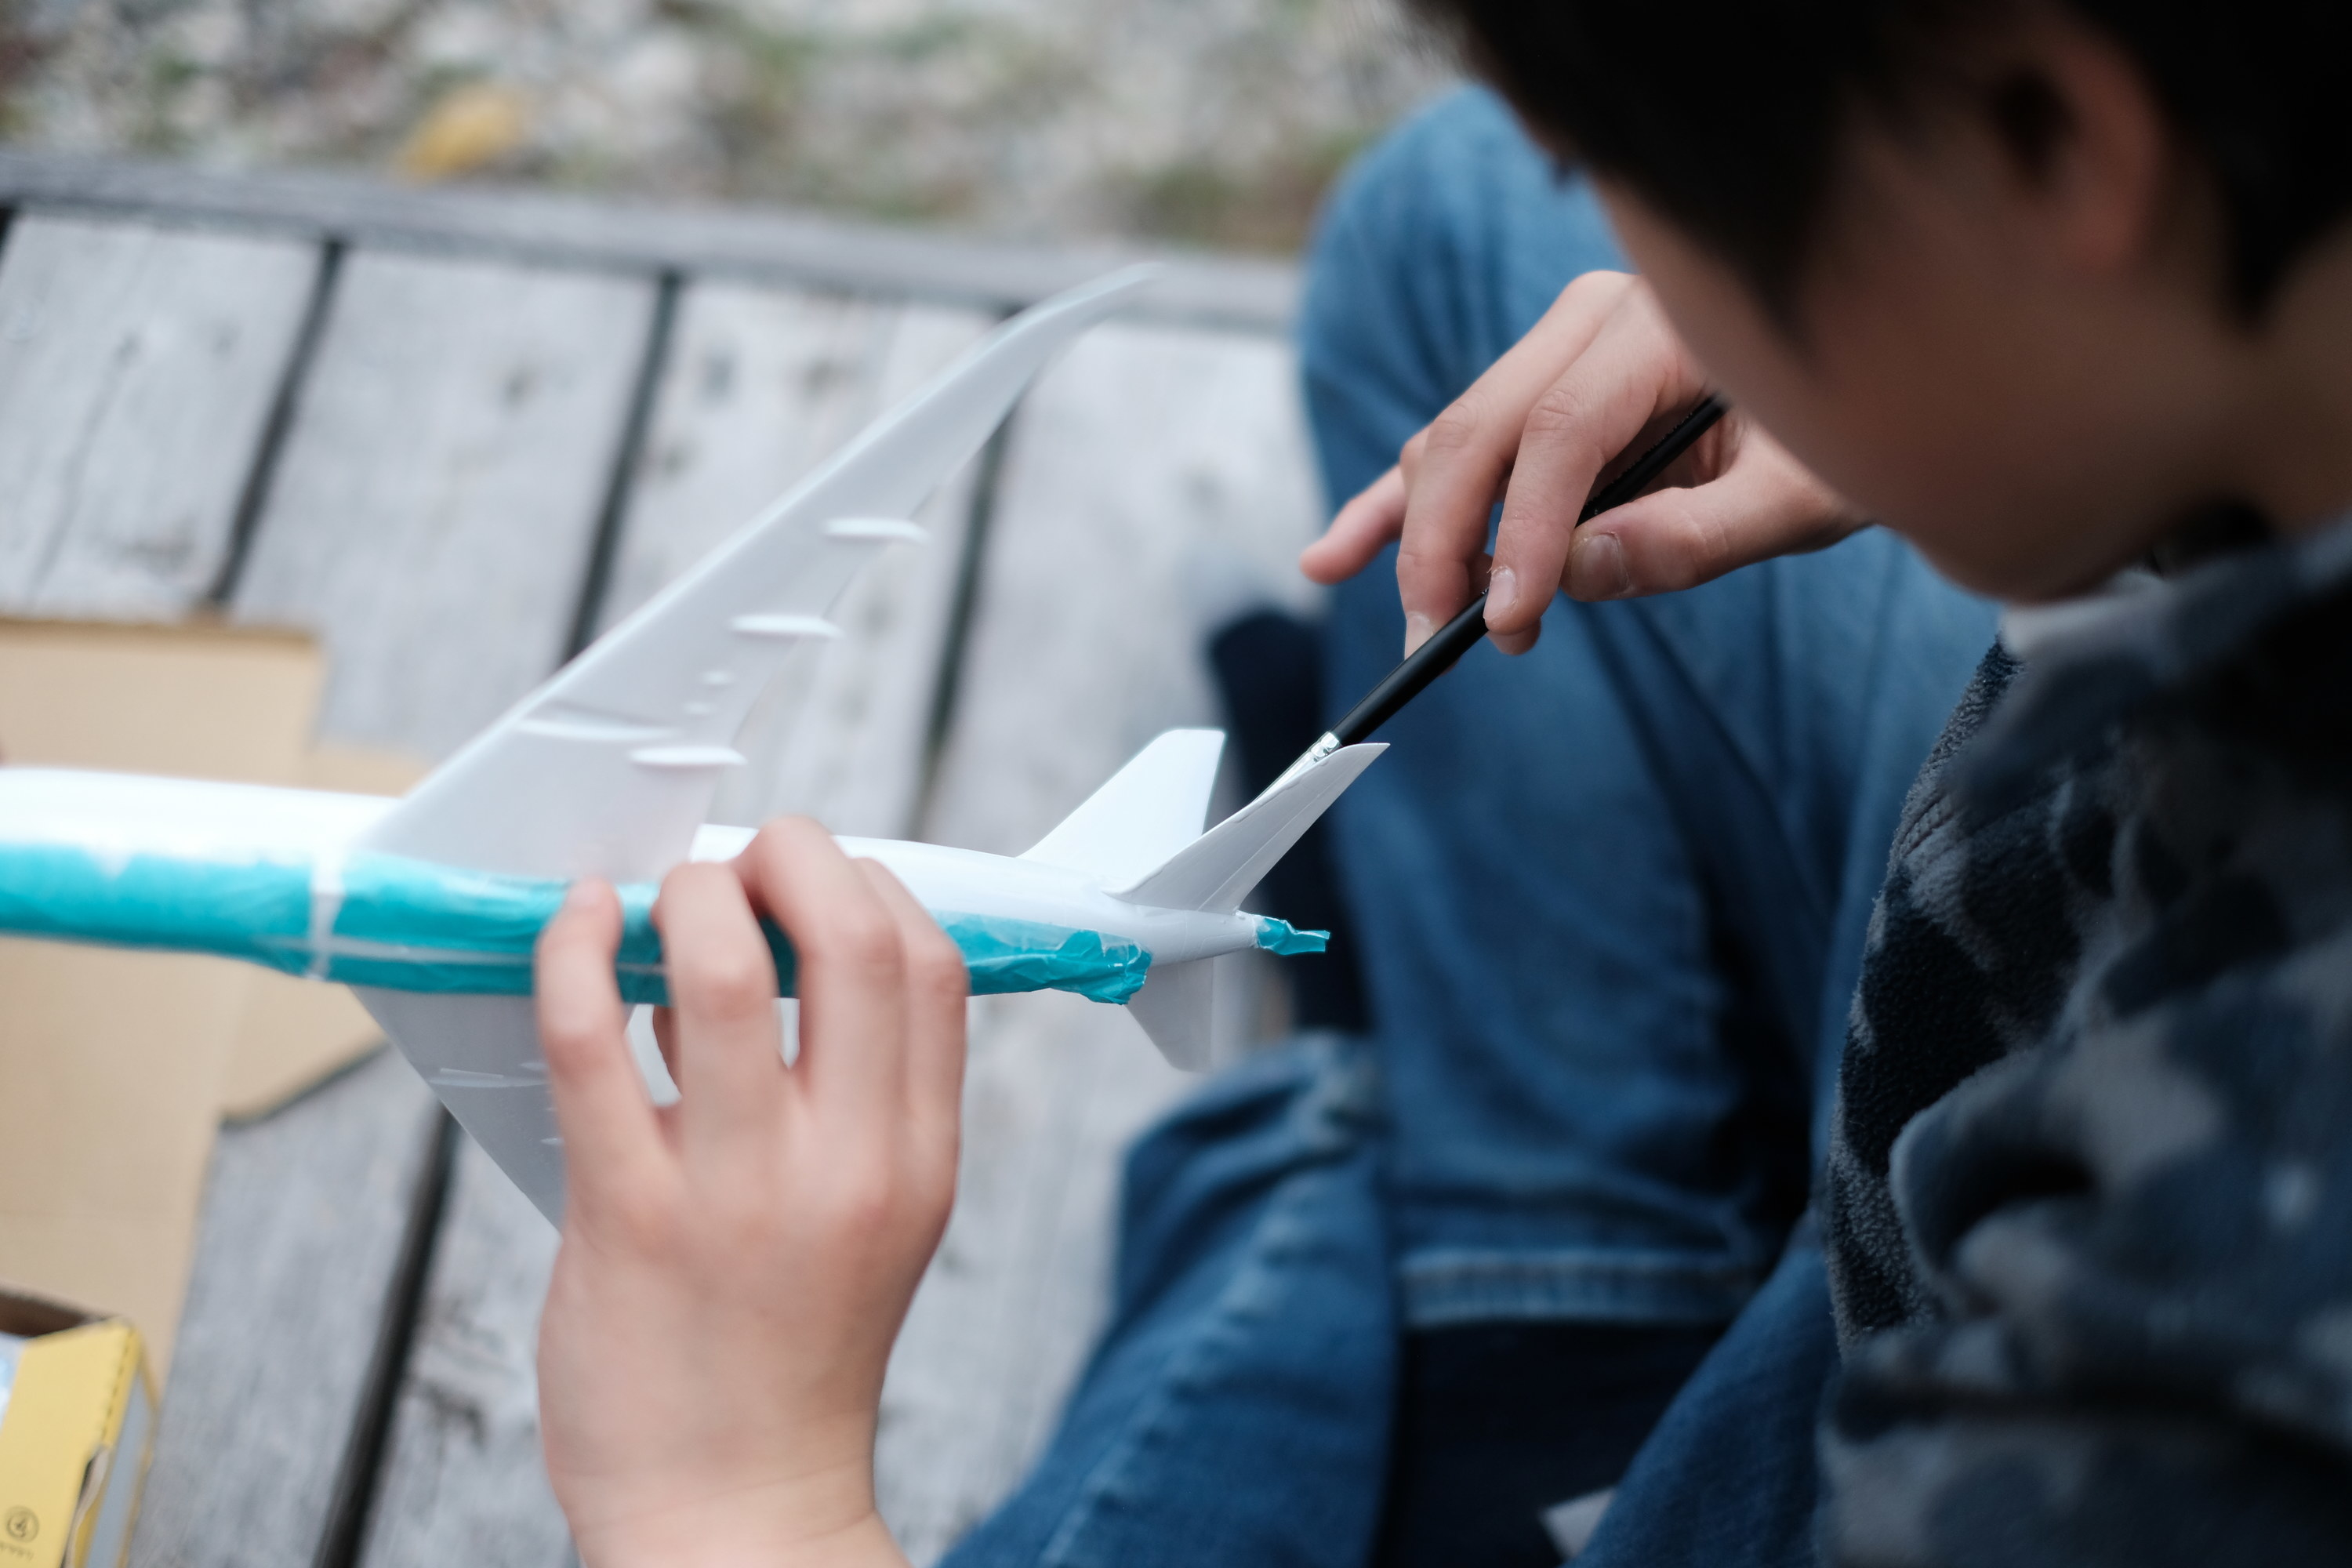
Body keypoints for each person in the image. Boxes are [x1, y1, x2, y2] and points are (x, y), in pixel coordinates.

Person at [528, 0, 2352, 1559]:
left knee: (1284, 1184)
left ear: (2045, 137)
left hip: (1948, 1368)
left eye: (1640, 181)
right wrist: (2006, 391)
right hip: (2027, 982)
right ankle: (1538, 1325)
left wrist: (734, 1495)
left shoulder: (2217, 1368)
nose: (1641, 253)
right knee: (1456, 216)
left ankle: (1469, 1313)